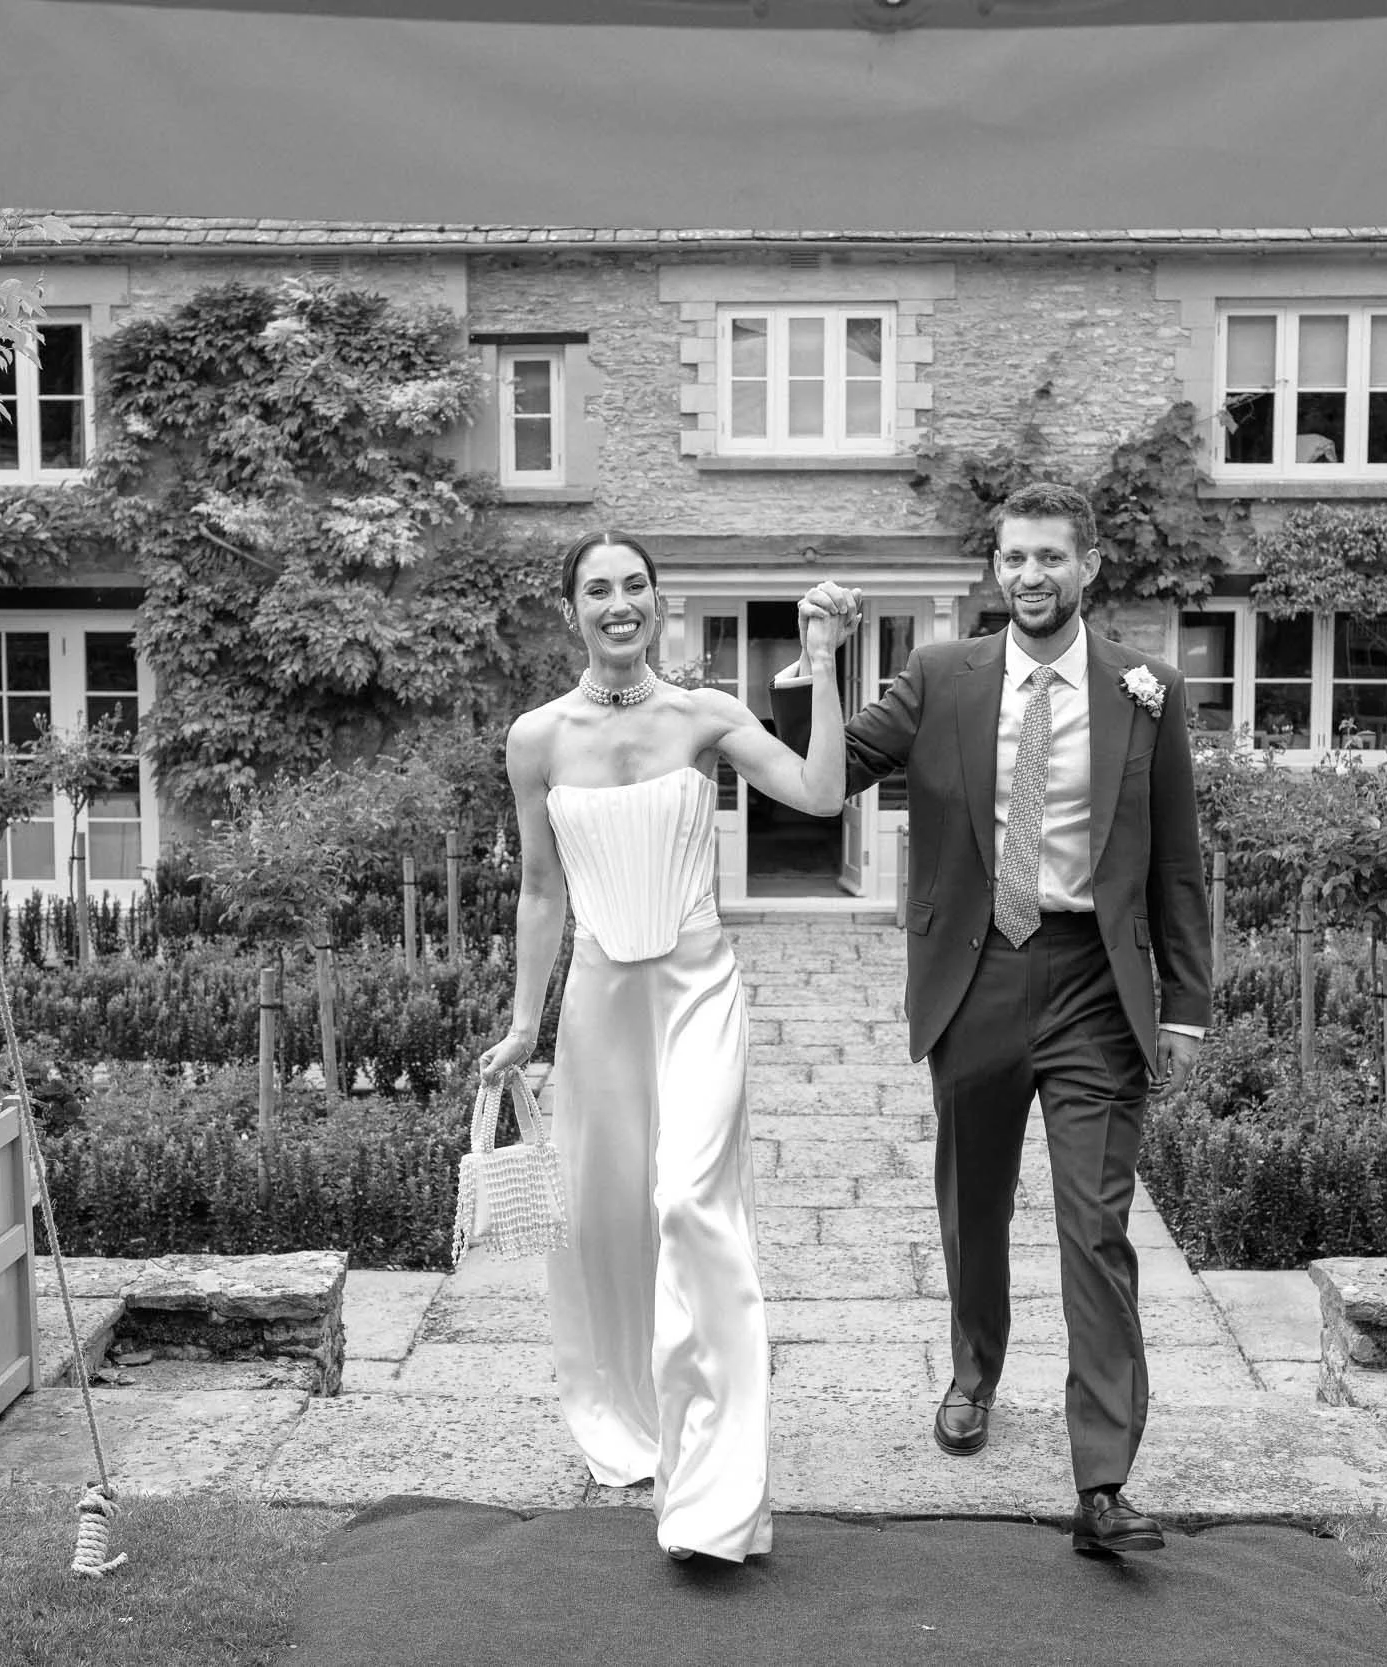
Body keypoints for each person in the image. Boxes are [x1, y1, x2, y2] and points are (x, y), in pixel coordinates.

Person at [780, 479, 1211, 1561]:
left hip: (1091, 986)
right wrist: (820, 661)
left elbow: (1176, 859)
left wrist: (1187, 1006)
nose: (1030, 575)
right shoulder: (941, 676)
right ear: (995, 570)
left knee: (1095, 1228)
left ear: (1089, 566)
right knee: (973, 1204)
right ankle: (973, 1373)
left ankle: (1103, 1479)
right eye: (1014, 557)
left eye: (1050, 557)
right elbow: (825, 782)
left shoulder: (1145, 689)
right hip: (975, 972)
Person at [475, 530, 849, 1564]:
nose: (618, 603)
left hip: (697, 992)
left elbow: (821, 792)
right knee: (606, 1225)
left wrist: (818, 666)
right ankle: (635, 1419)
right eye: (597, 589)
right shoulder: (535, 737)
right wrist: (522, 1023)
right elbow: (541, 888)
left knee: (692, 1204)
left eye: (634, 585)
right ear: (572, 611)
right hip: (600, 1004)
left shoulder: (703, 712)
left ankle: (716, 1490)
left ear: (658, 601)